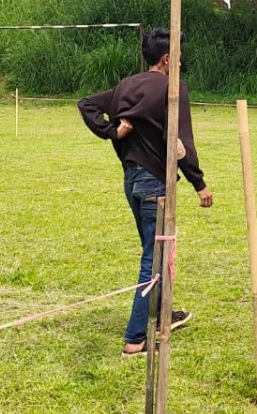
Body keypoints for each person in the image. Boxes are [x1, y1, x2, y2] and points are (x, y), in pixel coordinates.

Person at [78, 28, 214, 357]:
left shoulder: (127, 86)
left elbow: (86, 104)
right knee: (152, 259)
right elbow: (182, 142)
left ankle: (164, 314)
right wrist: (199, 183)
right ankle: (135, 338)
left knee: (156, 254)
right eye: (178, 56)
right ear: (166, 59)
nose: (181, 62)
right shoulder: (173, 87)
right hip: (155, 184)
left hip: (132, 182)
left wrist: (112, 130)